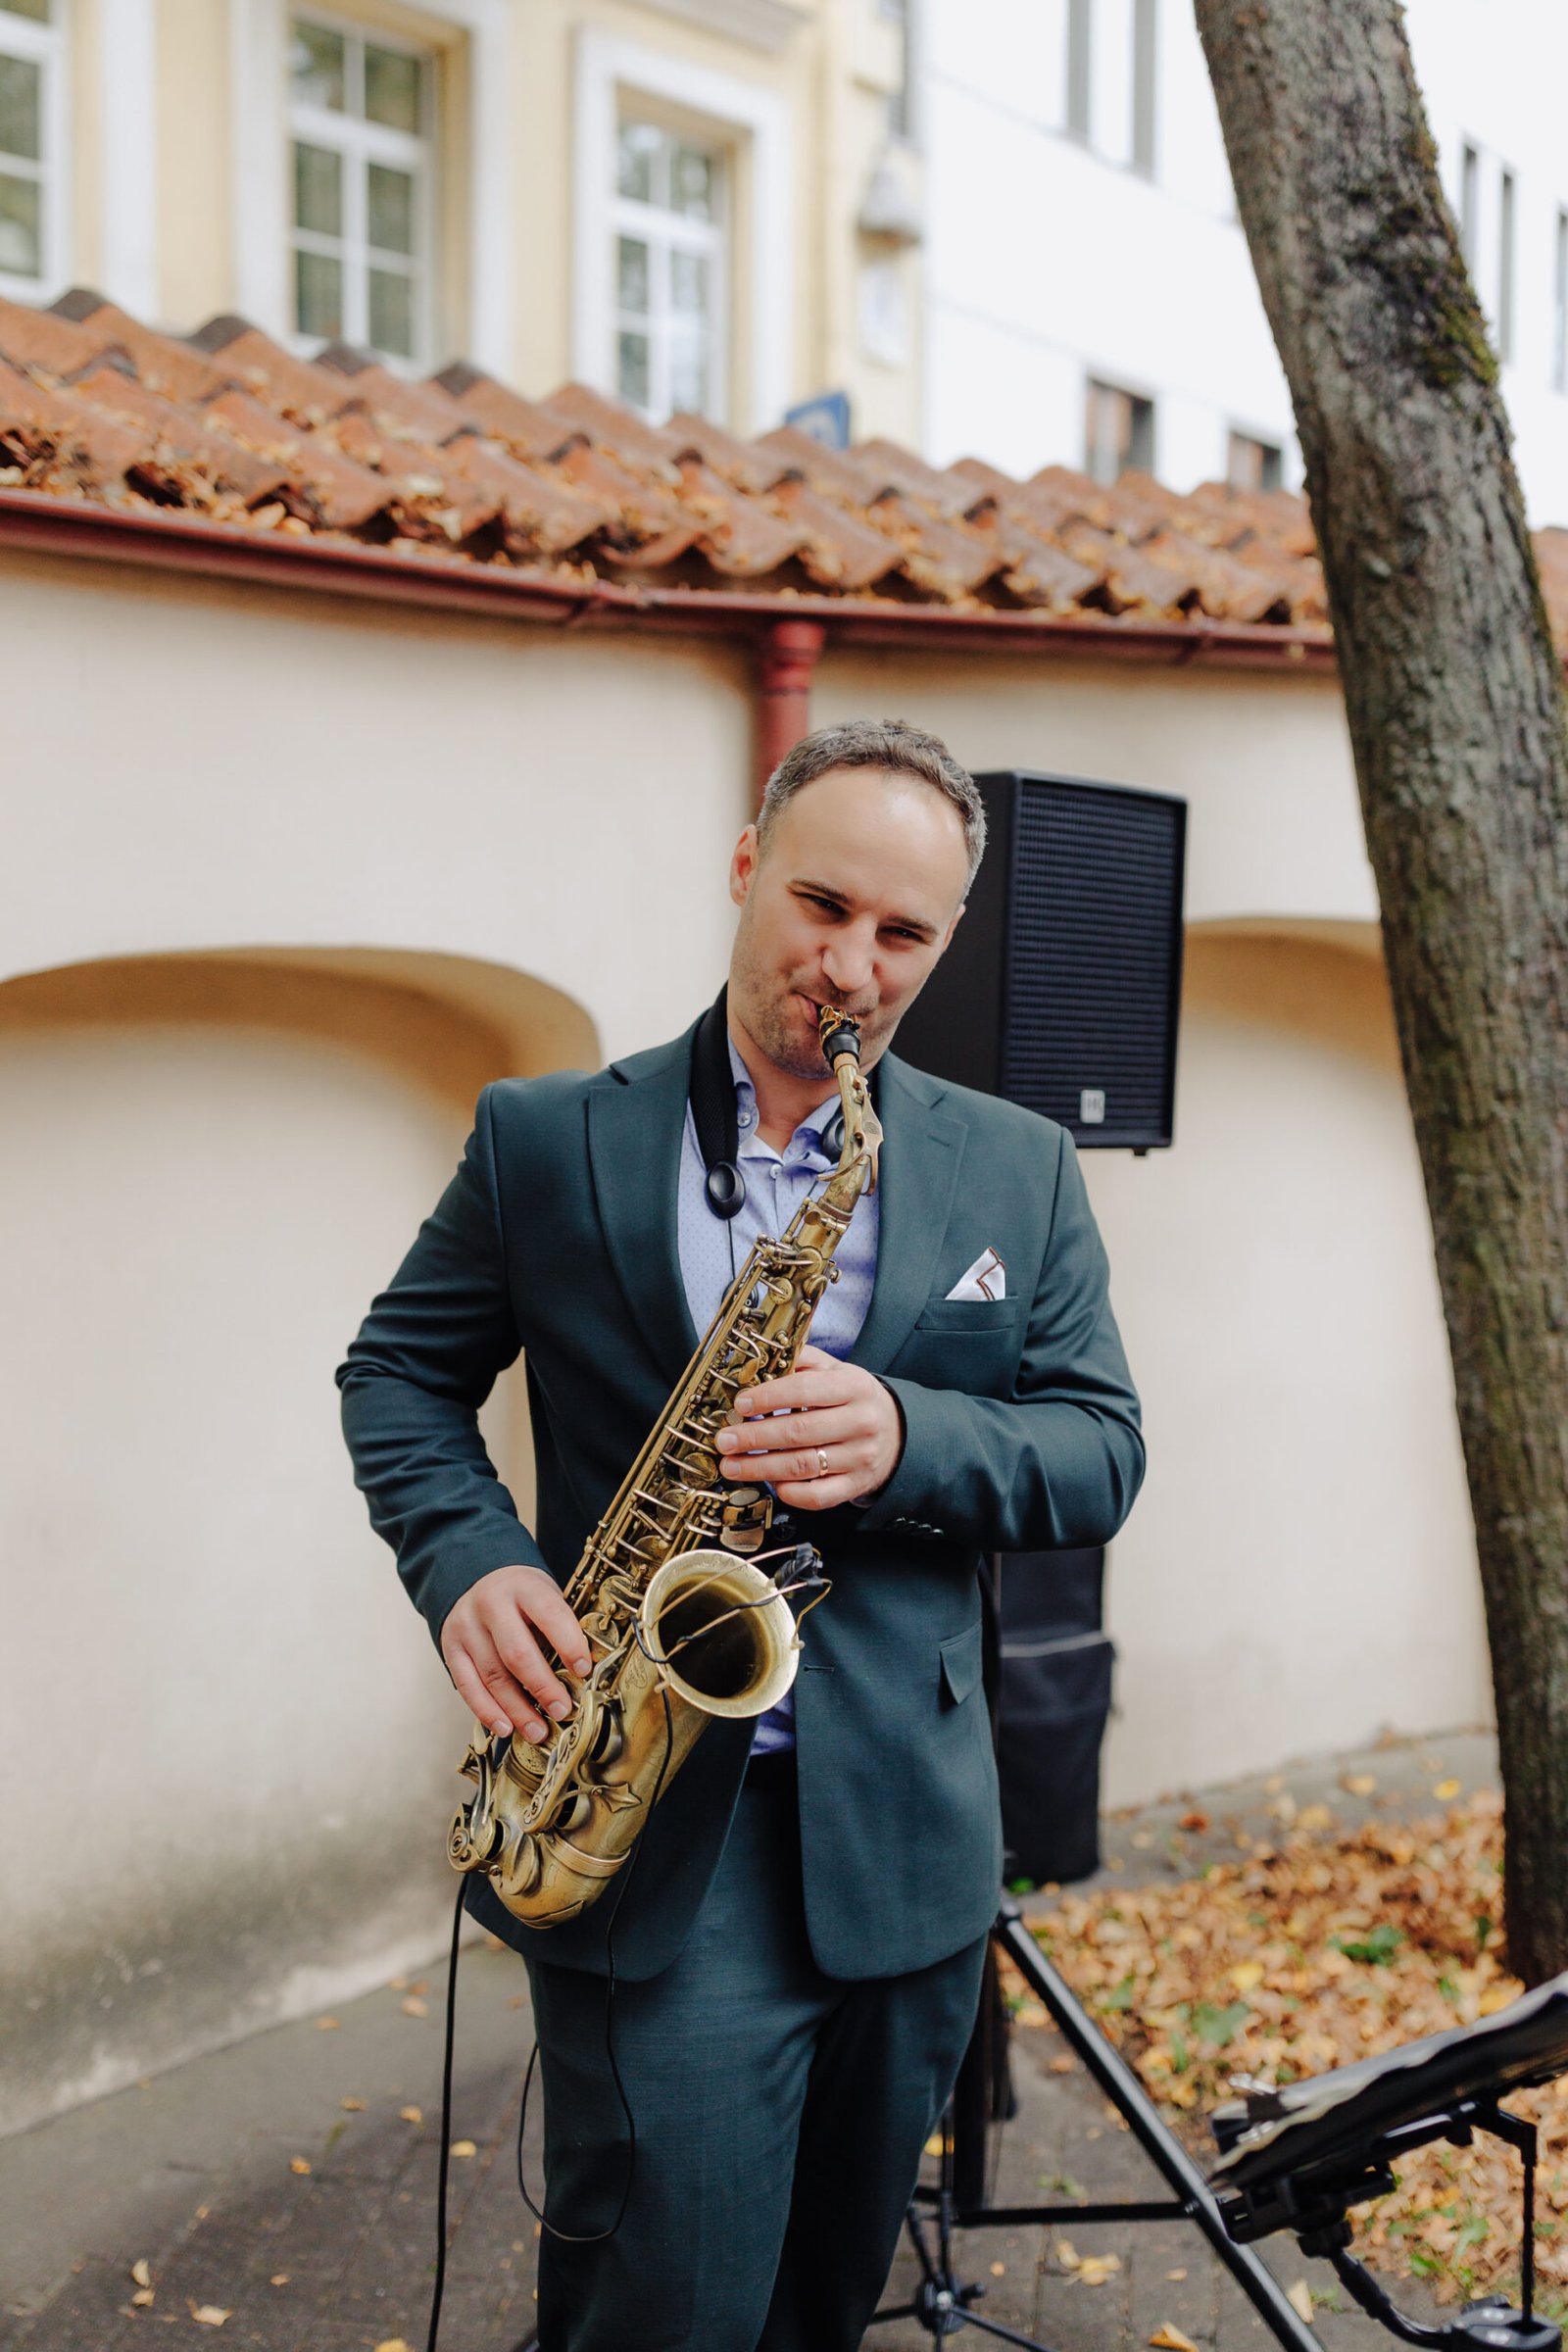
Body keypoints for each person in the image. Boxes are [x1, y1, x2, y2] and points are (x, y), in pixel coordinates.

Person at [338, 717, 1144, 2352]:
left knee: (817, 2311)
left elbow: (1099, 1447)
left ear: (946, 942)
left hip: (904, 1844)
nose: (850, 968)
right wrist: (471, 1563)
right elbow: (398, 1376)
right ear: (744, 869)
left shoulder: (1021, 1167)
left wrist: (910, 1434)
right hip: (648, 1826)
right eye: (820, 906)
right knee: (663, 2312)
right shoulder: (545, 1138)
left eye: (902, 933)